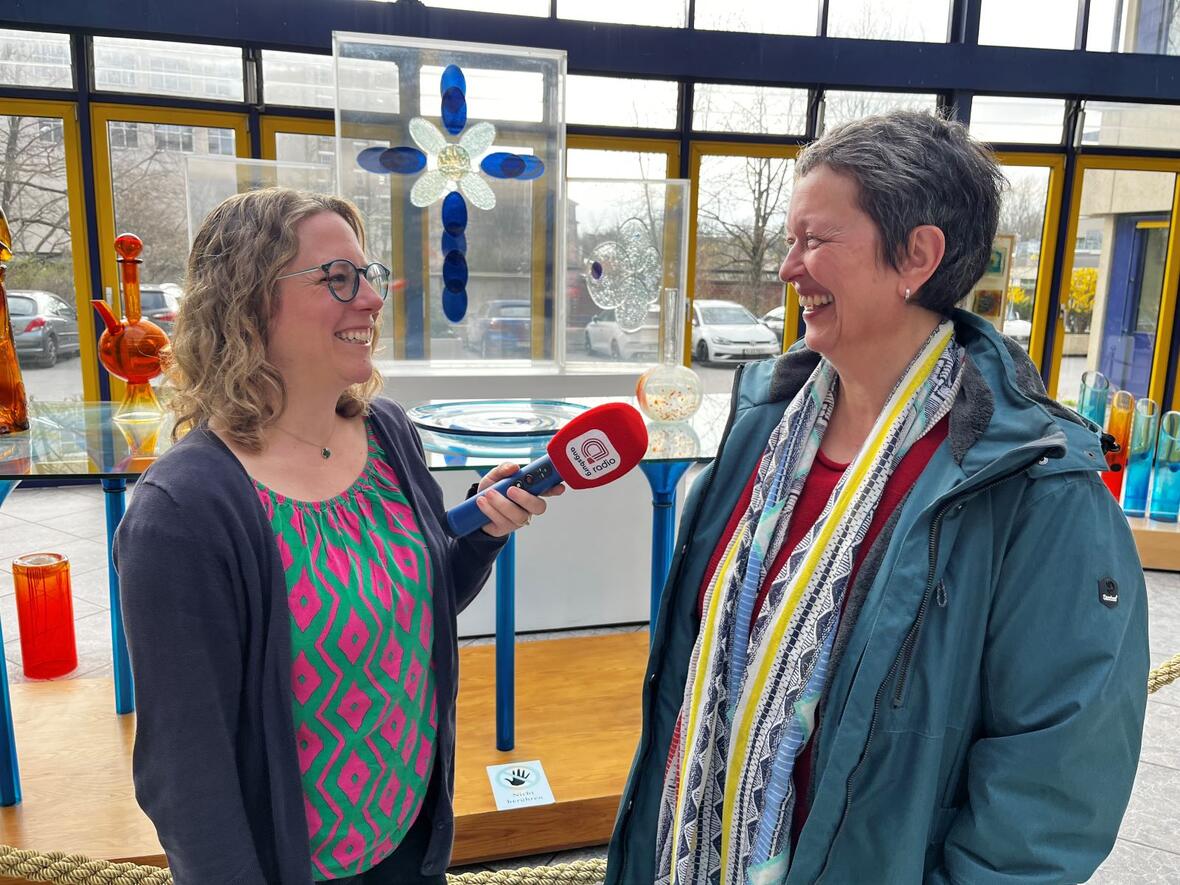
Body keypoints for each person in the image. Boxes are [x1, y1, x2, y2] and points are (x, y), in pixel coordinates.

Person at [606, 111, 1149, 884]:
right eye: (791, 240)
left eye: (814, 240)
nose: (788, 268)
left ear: (917, 256)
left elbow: (1053, 789)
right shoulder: (762, 427)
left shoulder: (1036, 485)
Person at [114, 188, 561, 884]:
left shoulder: (387, 433)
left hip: (412, 847)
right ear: (248, 301)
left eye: (369, 275)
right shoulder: (184, 510)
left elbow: (412, 606)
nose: (373, 301)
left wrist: (480, 531)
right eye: (337, 279)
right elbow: (186, 778)